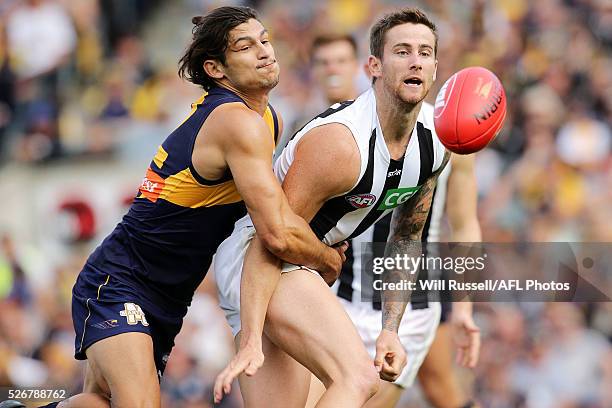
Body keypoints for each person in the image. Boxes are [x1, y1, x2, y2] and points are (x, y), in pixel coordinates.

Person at [34, 6, 345, 408]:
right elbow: (278, 232)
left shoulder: (267, 119)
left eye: (265, 40)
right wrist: (325, 258)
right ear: (216, 69)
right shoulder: (238, 123)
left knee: (99, 402)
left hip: (166, 297)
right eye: (246, 47)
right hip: (119, 282)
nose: (265, 52)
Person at [213, 8, 454, 407]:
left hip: (299, 265)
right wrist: (251, 336)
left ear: (434, 67)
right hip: (259, 260)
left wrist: (389, 329)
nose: (415, 61)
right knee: (358, 379)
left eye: (425, 53)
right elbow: (270, 236)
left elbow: (407, 237)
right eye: (402, 51)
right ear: (374, 66)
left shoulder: (434, 147)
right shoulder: (340, 145)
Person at [305, 34, 482, 408]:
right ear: (376, 65)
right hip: (343, 290)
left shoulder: (448, 132)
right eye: (323, 62)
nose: (332, 69)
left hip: (413, 293)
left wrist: (464, 306)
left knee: (439, 390)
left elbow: (464, 223)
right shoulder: (325, 134)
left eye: (423, 54)